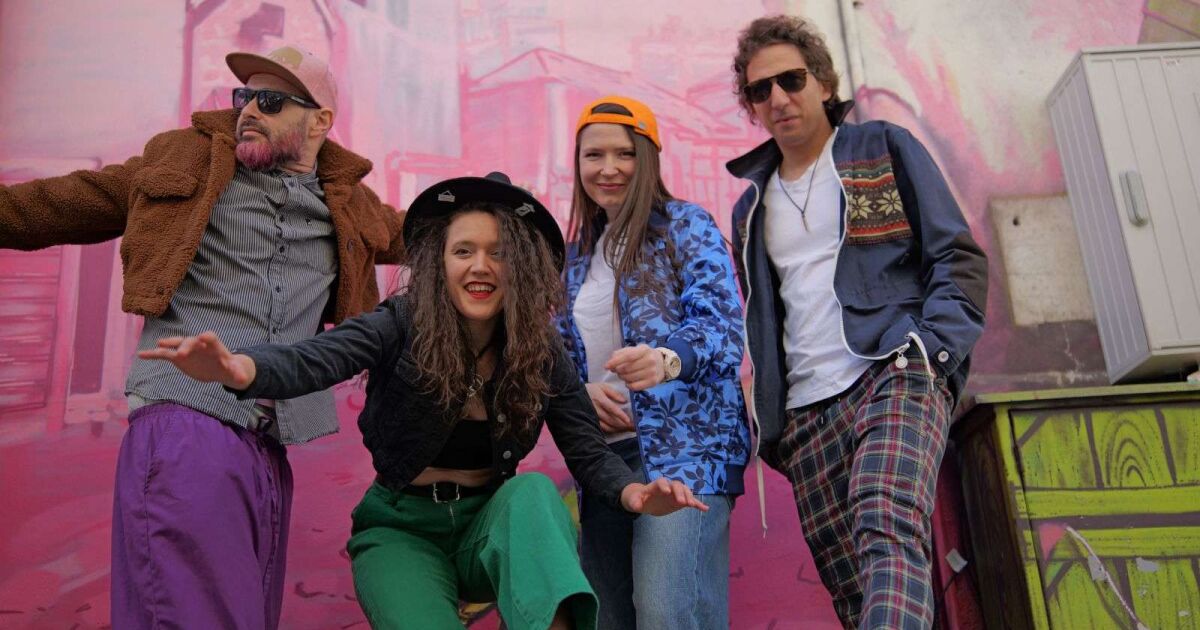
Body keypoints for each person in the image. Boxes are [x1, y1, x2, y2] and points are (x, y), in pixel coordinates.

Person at [140, 172, 710, 630]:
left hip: (488, 525)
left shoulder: (539, 350)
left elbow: (586, 451)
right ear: (441, 261)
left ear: (522, 267)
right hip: (402, 529)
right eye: (464, 250)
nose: (480, 266)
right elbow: (320, 357)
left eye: (499, 253)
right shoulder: (402, 322)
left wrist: (635, 494)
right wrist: (241, 368)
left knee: (533, 493)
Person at [0, 45, 405, 628]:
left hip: (271, 444)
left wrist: (506, 220)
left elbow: (430, 234)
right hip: (185, 422)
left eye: (270, 101)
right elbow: (57, 203)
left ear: (319, 121)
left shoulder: (349, 206)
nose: (249, 111)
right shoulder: (185, 160)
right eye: (244, 97)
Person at [726, 15, 988, 630]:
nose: (777, 98)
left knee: (886, 520)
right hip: (805, 414)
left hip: (892, 369)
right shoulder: (750, 208)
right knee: (853, 592)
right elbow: (766, 322)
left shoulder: (881, 147)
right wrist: (775, 425)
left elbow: (956, 256)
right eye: (760, 90)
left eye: (791, 80)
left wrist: (933, 352)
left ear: (823, 82)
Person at [557, 95, 749, 629]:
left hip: (687, 455)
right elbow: (557, 359)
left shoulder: (685, 225)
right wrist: (578, 394)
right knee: (607, 619)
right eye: (594, 155)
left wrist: (666, 360)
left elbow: (722, 325)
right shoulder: (575, 257)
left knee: (667, 614)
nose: (609, 168)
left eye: (624, 153)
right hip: (605, 466)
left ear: (648, 159)